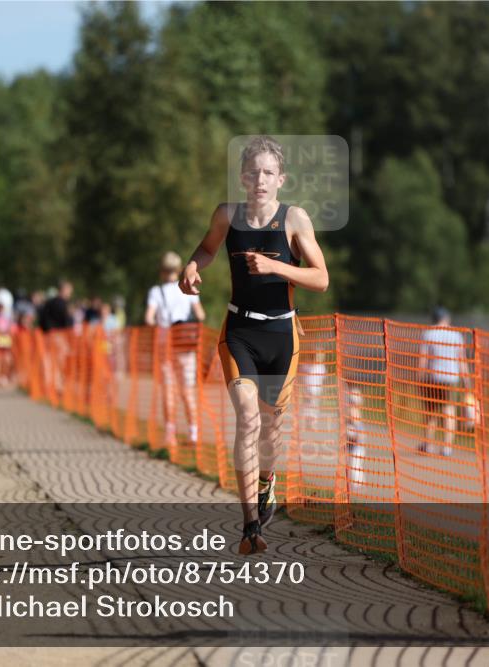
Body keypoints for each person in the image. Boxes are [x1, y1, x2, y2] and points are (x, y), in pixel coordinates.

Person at [180, 136, 329, 555]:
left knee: (271, 428)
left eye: (269, 173)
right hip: (239, 332)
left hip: (282, 336)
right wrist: (192, 266)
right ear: (243, 177)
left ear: (280, 179)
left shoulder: (295, 219)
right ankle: (249, 527)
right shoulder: (227, 215)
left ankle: (267, 481)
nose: (260, 180)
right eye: (253, 172)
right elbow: (207, 249)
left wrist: (275, 266)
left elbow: (321, 278)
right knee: (247, 418)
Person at [146, 252, 205, 448]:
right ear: (179, 269)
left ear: (162, 271)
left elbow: (149, 318)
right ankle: (193, 433)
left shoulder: (156, 291)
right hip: (185, 344)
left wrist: (158, 324)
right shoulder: (188, 288)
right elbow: (201, 315)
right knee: (187, 390)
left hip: (165, 344)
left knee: (168, 390)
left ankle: (170, 434)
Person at [419, 307, 468, 456]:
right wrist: (467, 381)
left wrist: (419, 378)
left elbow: (423, 359)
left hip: (433, 377)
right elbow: (462, 360)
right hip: (451, 378)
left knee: (431, 412)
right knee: (449, 411)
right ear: (447, 318)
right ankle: (447, 447)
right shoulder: (456, 335)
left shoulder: (428, 334)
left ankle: (428, 444)